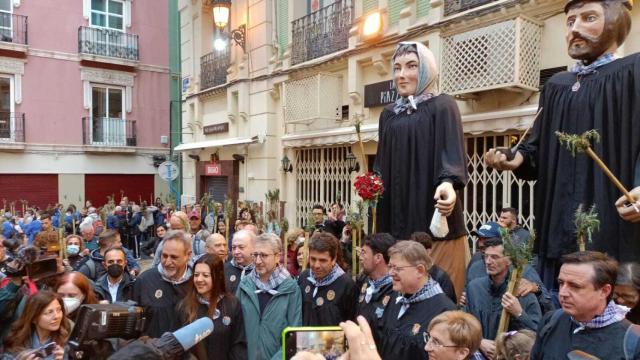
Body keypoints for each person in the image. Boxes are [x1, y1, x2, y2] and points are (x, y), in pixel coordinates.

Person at [484, 0, 640, 289]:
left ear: (617, 20)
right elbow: (537, 148)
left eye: (588, 17)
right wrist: (515, 158)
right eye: (570, 22)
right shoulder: (556, 85)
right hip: (558, 230)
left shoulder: (634, 70)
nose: (575, 29)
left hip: (614, 228)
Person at [375, 42, 469, 298]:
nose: (401, 74)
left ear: (427, 69)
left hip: (433, 227)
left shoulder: (442, 105)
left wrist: (448, 183)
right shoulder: (389, 115)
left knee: (438, 299)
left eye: (411, 66)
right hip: (396, 224)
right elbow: (381, 164)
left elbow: (452, 154)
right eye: (397, 68)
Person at [531, 251, 640, 358]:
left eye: (575, 286)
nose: (563, 293)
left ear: (604, 291)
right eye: (561, 283)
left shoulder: (633, 340)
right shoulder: (551, 321)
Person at [377, 241, 456, 360]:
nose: (390, 273)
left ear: (419, 270)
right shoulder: (393, 297)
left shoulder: (445, 311)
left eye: (397, 268)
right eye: (390, 267)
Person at [465, 238, 541, 358]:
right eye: (486, 256)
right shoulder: (474, 288)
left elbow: (536, 333)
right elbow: (465, 323)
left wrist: (519, 313)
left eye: (494, 257)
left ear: (509, 260)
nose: (488, 261)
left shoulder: (522, 291)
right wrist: (479, 341)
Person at [236, 233, 301, 360]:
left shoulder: (291, 288)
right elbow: (235, 328)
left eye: (264, 255)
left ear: (277, 256)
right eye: (255, 255)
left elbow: (294, 333)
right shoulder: (245, 285)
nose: (258, 261)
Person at [179, 254, 247, 360]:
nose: (199, 279)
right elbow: (179, 346)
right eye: (196, 275)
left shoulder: (232, 304)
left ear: (218, 276)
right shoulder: (185, 307)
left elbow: (238, 344)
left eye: (205, 275)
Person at [132, 230, 194, 338]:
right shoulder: (144, 281)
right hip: (152, 352)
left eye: (174, 257)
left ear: (188, 255)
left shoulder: (197, 282)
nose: (167, 262)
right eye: (164, 256)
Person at [298, 232, 356, 326]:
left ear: (333, 259)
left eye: (323, 260)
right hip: (305, 340)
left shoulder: (347, 285)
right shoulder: (304, 277)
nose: (316, 265)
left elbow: (351, 323)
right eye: (313, 259)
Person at [3, 290, 69, 360]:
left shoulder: (66, 341)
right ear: (34, 318)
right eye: (49, 312)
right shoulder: (16, 341)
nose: (57, 316)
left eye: (59, 310)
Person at [355, 233, 395, 330]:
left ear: (378, 258)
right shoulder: (364, 281)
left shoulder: (395, 290)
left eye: (364, 252)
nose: (360, 257)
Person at [410, 232, 457, 303]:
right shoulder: (409, 273)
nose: (413, 255)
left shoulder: (441, 277)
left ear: (428, 251)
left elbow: (448, 305)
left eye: (417, 251)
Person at [224, 230, 255, 294]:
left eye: (241, 247)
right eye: (234, 247)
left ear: (254, 247)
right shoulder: (223, 269)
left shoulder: (260, 271)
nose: (236, 252)